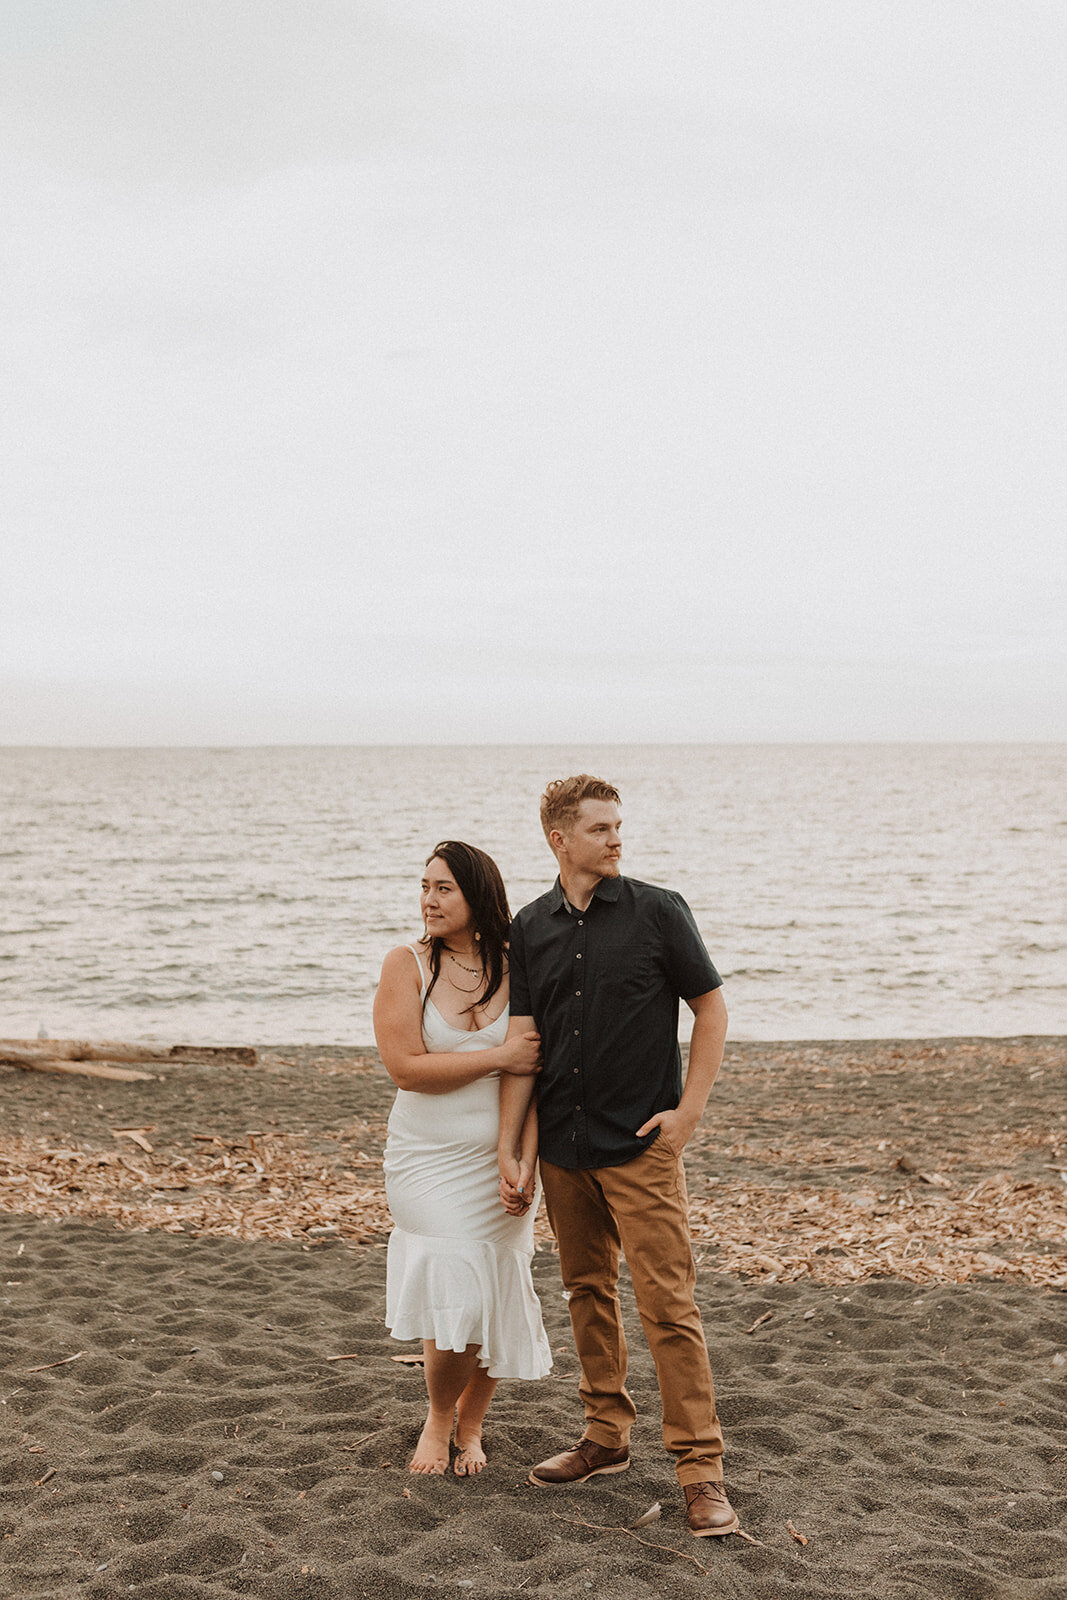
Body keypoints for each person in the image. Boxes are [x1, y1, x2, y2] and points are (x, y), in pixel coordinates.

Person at [497, 776, 738, 1538]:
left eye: (618, 826)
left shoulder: (657, 911)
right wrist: (519, 1149)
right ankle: (604, 1436)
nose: (615, 839)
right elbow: (526, 1046)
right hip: (563, 1148)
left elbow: (709, 1007)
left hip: (639, 1147)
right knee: (584, 1291)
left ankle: (700, 1470)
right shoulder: (526, 927)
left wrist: (689, 1112)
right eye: (600, 828)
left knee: (668, 1306)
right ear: (558, 839)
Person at [374, 840, 551, 1477]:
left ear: (478, 895)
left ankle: (472, 1424)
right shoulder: (407, 965)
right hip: (426, 1158)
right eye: (425, 886)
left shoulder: (517, 963)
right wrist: (496, 1057)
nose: (428, 899)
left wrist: (524, 1160)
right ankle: (438, 1418)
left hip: (501, 1159)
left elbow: (536, 1075)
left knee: (494, 1289)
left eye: (443, 887)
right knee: (453, 1275)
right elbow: (407, 1069)